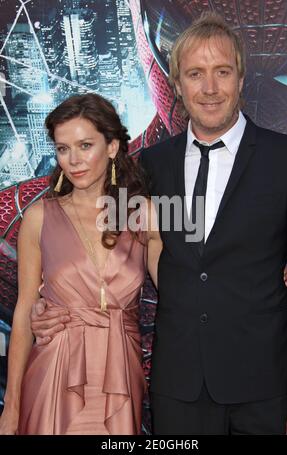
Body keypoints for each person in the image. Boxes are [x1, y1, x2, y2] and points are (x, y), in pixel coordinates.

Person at [28, 12, 287, 435]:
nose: (209, 88)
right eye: (195, 74)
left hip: (266, 391)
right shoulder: (149, 167)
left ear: (241, 78)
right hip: (178, 392)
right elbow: (103, 258)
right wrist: (49, 308)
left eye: (222, 72)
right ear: (176, 84)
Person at [0, 93, 162, 435]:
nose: (73, 160)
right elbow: (24, 310)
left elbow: (183, 286)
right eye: (63, 149)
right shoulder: (39, 217)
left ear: (113, 146)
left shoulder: (142, 214)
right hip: (55, 370)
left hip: (120, 371)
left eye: (85, 145)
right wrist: (11, 405)